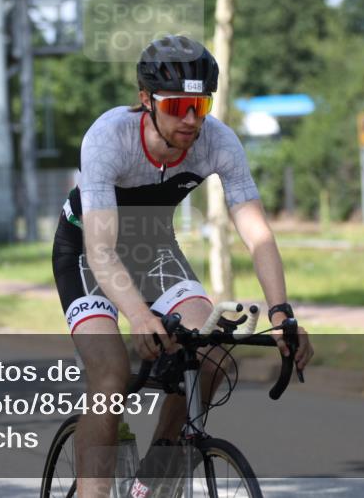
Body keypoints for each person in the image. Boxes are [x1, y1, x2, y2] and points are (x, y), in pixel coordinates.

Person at [51, 34, 314, 496]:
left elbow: (256, 232)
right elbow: (100, 250)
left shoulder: (218, 141)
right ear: (145, 101)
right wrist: (138, 315)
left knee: (210, 355)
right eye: (176, 107)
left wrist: (280, 312)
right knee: (111, 376)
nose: (191, 119)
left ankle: (152, 482)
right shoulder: (108, 138)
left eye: (200, 105)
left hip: (154, 249)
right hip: (88, 252)